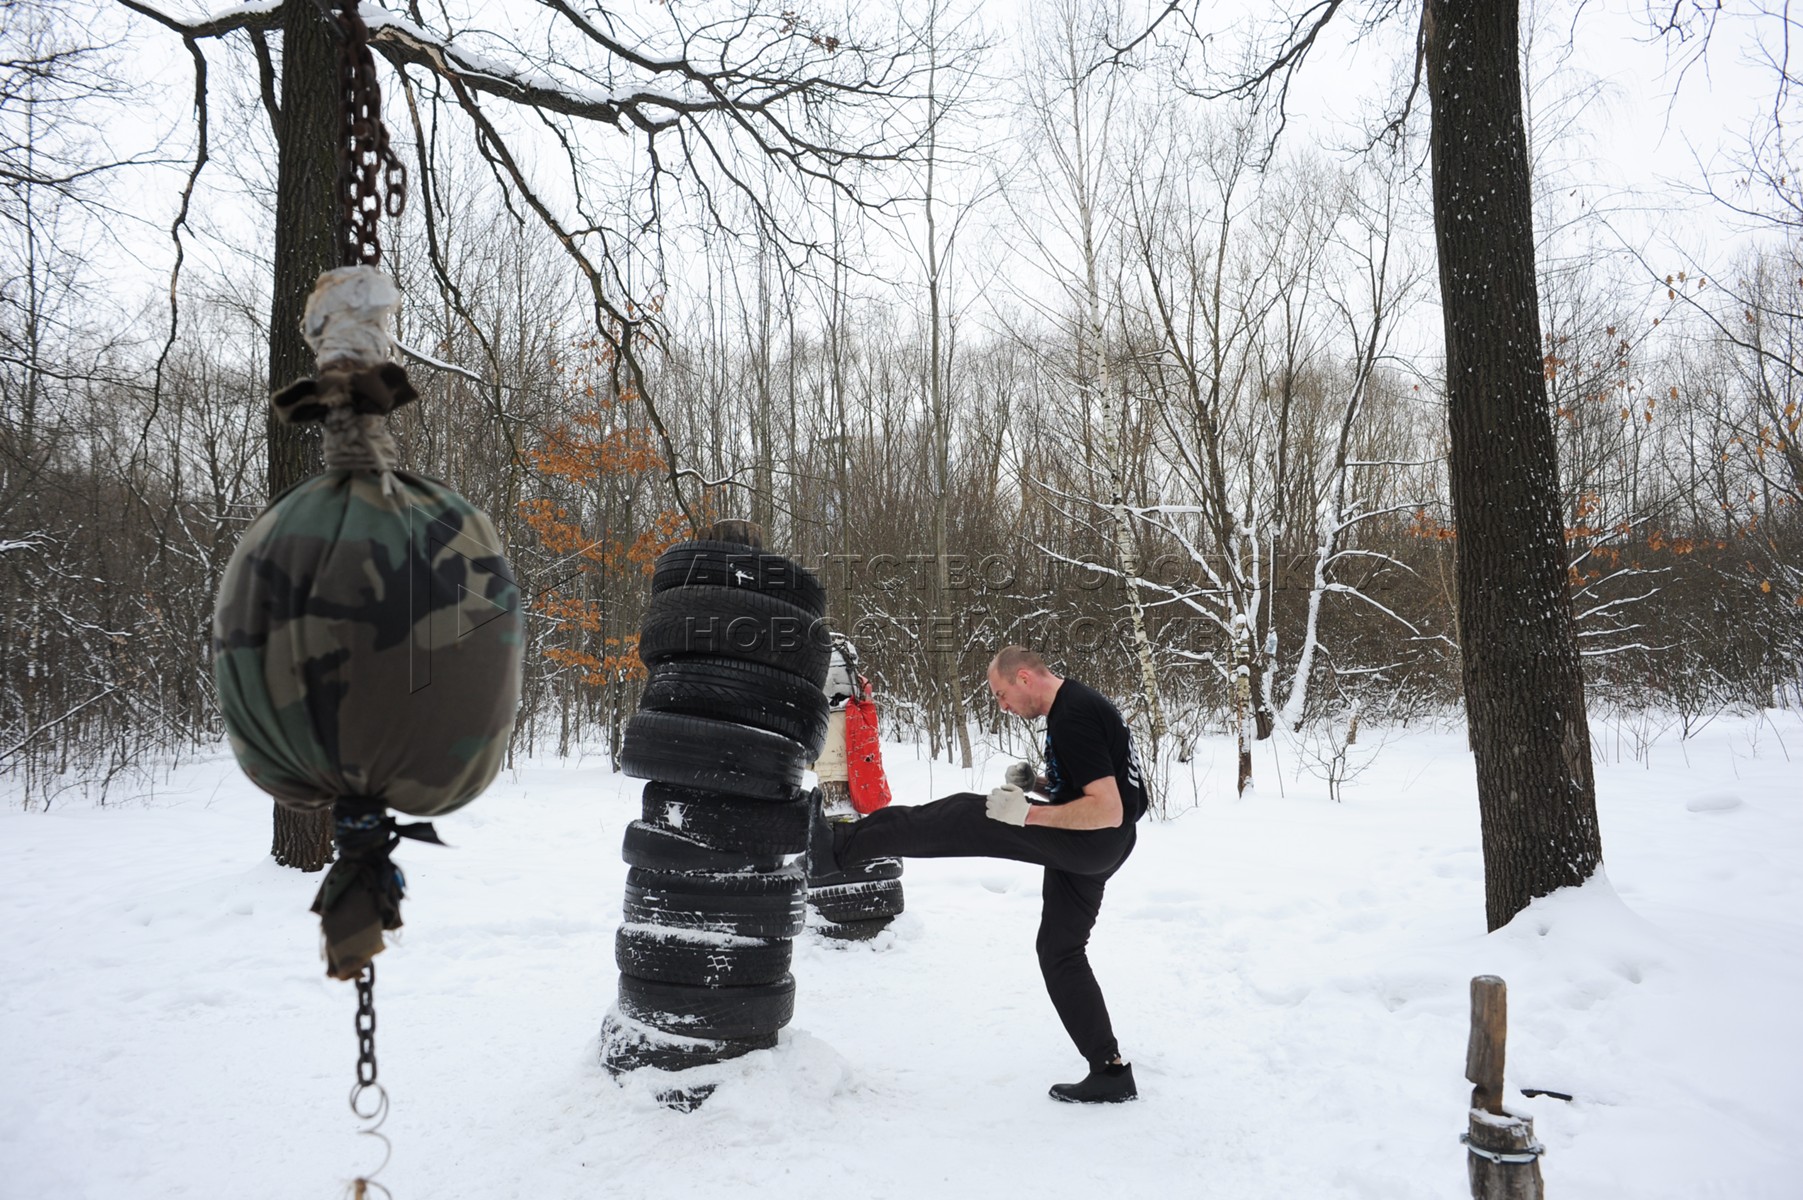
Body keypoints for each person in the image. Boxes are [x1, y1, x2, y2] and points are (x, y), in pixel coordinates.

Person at [823, 645, 1146, 1103]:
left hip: (1094, 838)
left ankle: (840, 846)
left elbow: (1107, 809)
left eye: (1001, 695)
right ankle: (1110, 1073)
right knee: (1059, 951)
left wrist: (1026, 816)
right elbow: (1117, 790)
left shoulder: (1073, 714)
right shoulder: (1080, 705)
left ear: (1025, 679)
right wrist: (1037, 786)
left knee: (966, 815)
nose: (1003, 706)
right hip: (1105, 846)